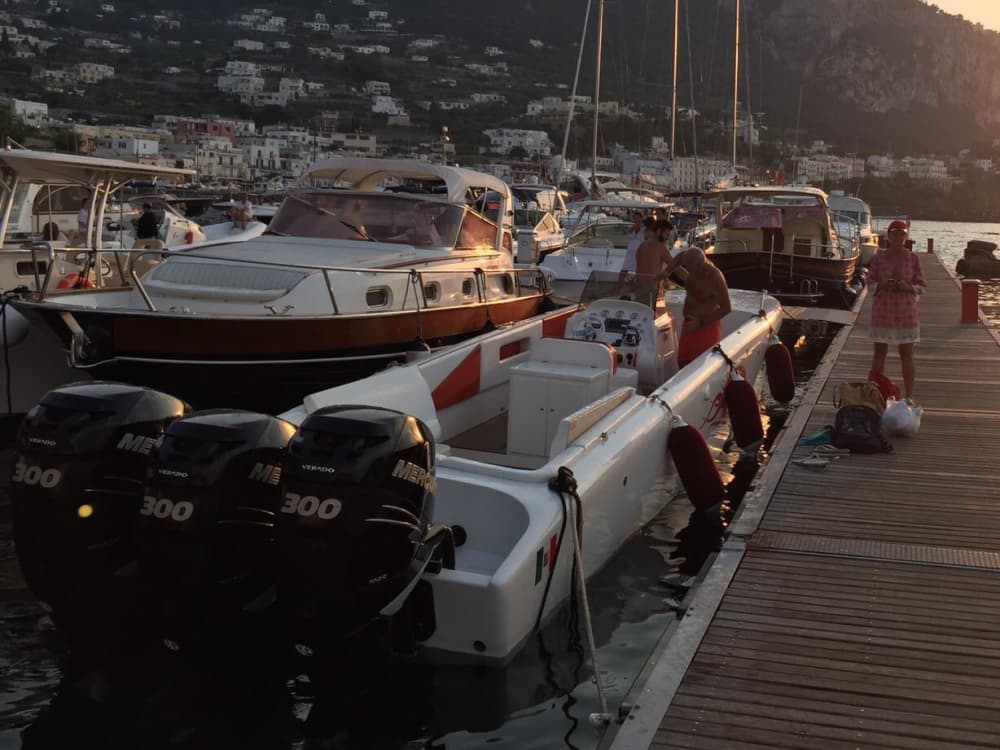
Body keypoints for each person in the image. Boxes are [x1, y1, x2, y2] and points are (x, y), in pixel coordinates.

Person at [867, 219, 926, 401]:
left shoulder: (913, 258)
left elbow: (922, 286)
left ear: (906, 236)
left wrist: (907, 287)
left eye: (902, 234)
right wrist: (882, 284)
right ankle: (877, 394)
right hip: (883, 311)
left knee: (906, 354)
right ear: (889, 236)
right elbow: (869, 285)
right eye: (895, 233)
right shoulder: (878, 257)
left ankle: (908, 396)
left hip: (905, 312)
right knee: (879, 352)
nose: (898, 237)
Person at [675, 247, 731, 368]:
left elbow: (726, 308)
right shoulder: (692, 268)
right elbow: (677, 259)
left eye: (689, 268)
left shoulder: (715, 276)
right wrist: (666, 271)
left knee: (699, 368)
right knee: (682, 363)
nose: (688, 271)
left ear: (700, 265)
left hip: (706, 328)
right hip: (688, 325)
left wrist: (700, 323)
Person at [633, 218, 674, 308]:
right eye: (666, 234)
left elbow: (638, 270)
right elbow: (675, 266)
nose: (667, 238)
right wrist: (690, 279)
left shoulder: (641, 246)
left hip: (639, 289)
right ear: (659, 231)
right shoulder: (660, 248)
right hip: (653, 291)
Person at [619, 212, 649, 283]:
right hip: (630, 252)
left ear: (642, 218)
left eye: (638, 218)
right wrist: (633, 228)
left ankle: (635, 285)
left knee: (638, 270)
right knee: (624, 269)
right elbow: (627, 234)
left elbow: (648, 238)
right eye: (635, 218)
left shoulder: (645, 229)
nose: (636, 219)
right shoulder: (632, 228)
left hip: (640, 253)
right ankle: (619, 285)